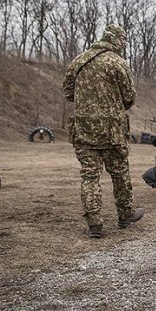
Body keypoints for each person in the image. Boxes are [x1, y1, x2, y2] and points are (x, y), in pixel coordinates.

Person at [63, 24, 144, 239]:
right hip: (112, 131)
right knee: (119, 173)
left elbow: (68, 93)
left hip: (84, 130)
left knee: (89, 176)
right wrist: (112, 106)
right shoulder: (118, 62)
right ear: (117, 40)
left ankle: (94, 224)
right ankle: (125, 215)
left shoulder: (78, 61)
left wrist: (87, 105)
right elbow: (129, 97)